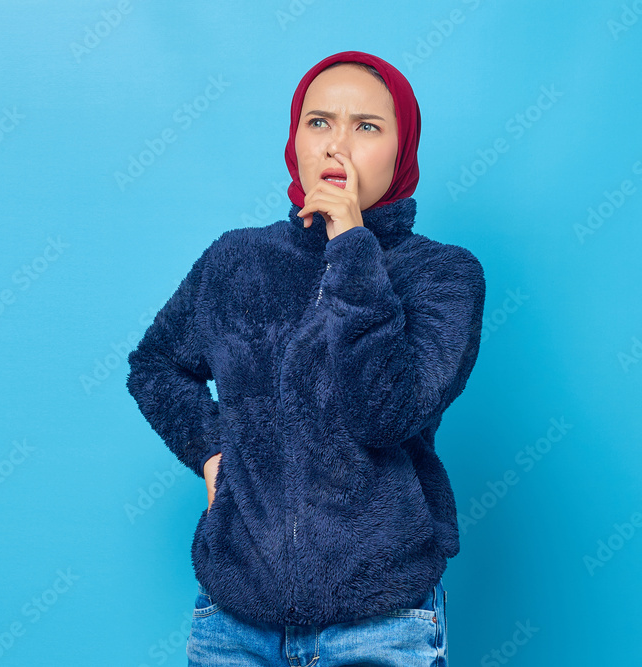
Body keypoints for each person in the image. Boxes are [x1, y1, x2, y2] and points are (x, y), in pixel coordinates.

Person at [126, 50, 485, 666]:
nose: (336, 145)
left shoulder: (443, 275)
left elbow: (385, 414)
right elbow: (156, 365)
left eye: (366, 126)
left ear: (402, 150)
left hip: (382, 625)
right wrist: (210, 453)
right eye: (319, 122)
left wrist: (352, 246)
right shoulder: (237, 260)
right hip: (234, 622)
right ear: (295, 141)